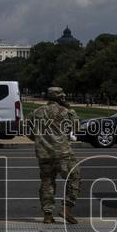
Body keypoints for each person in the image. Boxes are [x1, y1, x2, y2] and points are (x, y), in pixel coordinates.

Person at [26, 86, 81, 224]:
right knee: (74, 178)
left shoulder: (36, 112)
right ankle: (67, 208)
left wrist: (38, 139)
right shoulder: (65, 111)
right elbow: (76, 127)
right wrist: (70, 108)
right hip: (63, 153)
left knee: (47, 183)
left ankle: (47, 214)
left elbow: (26, 128)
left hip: (44, 153)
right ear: (60, 97)